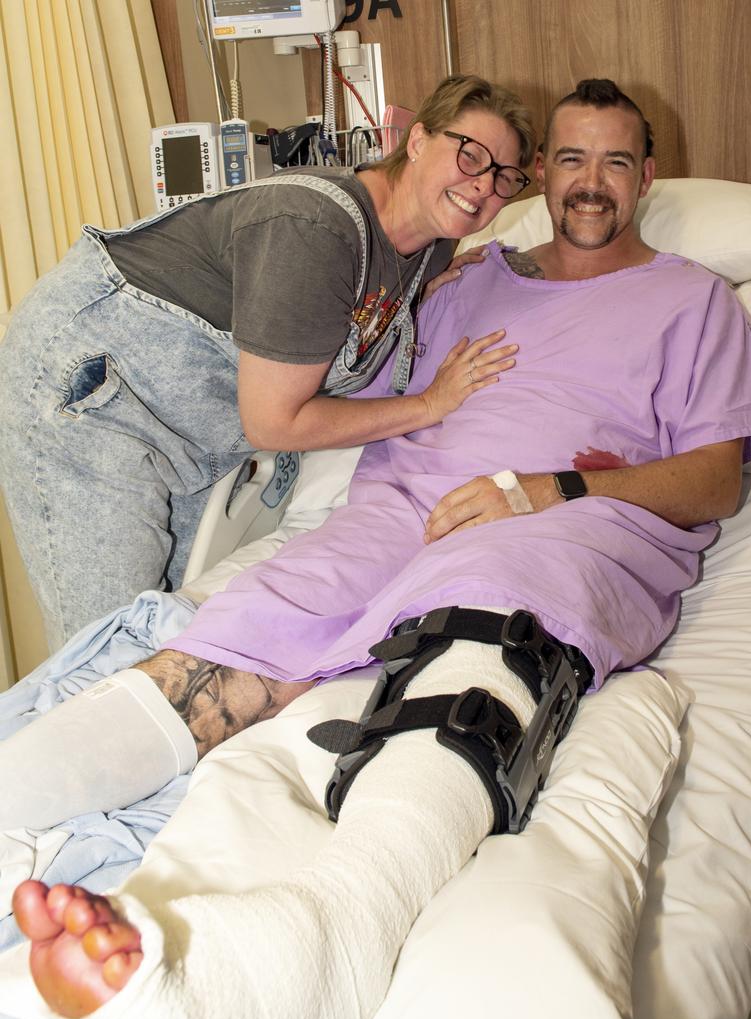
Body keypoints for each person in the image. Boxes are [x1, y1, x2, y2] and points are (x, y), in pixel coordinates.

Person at [9, 79, 751, 1019]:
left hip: (561, 525)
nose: (590, 183)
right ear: (544, 175)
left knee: (493, 610)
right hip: (393, 509)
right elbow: (355, 381)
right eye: (569, 160)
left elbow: (717, 482)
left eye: (615, 161)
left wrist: (552, 489)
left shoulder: (693, 302)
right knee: (240, 634)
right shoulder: (467, 275)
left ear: (646, 176)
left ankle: (338, 925)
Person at [0, 75, 533, 651]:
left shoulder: (431, 245)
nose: (481, 185)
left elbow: (353, 323)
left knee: (171, 644)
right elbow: (275, 424)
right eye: (470, 155)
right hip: (88, 394)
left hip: (184, 435)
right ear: (419, 138)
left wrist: (423, 300)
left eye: (504, 176)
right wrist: (428, 406)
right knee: (104, 654)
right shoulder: (314, 228)